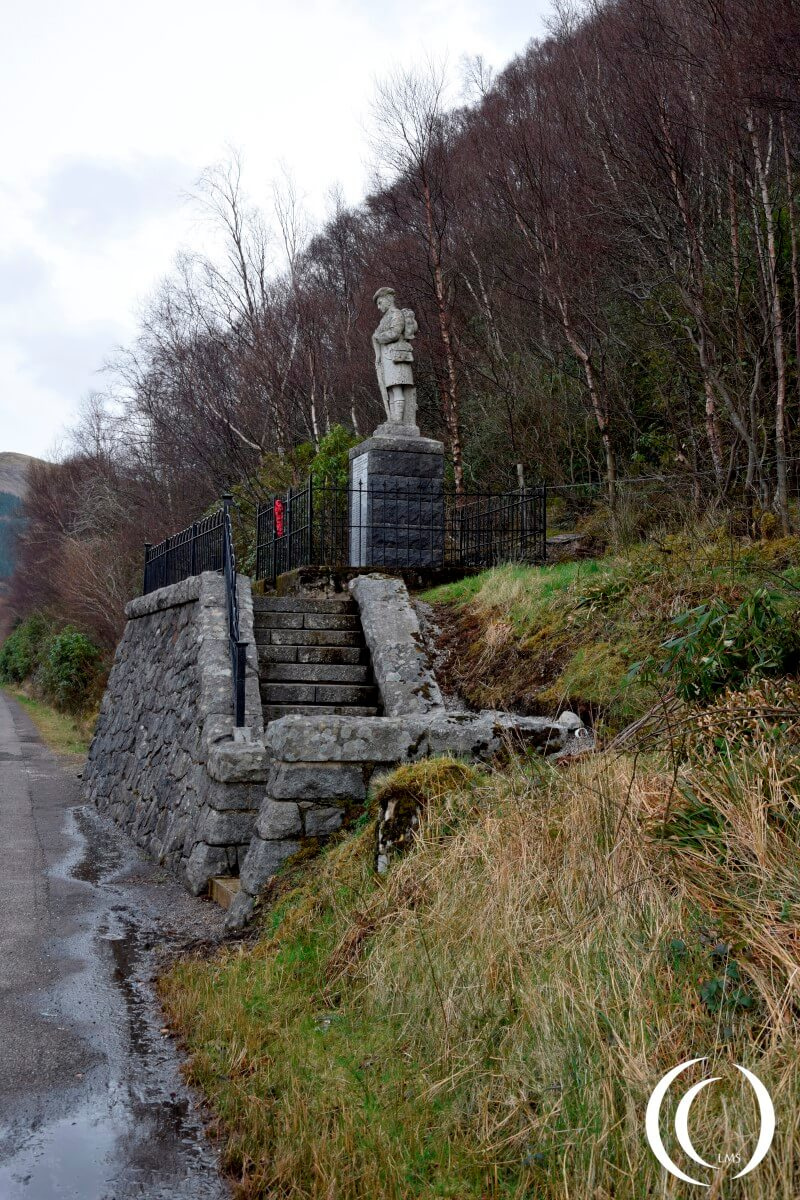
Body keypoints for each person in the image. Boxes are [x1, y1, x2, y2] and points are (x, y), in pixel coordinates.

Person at [371, 286, 419, 431]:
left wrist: (378, 337)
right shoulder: (384, 318)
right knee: (391, 390)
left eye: (380, 303)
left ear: (387, 299)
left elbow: (395, 333)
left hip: (396, 357)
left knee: (397, 388)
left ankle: (398, 420)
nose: (379, 307)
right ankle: (393, 419)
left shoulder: (396, 314)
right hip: (387, 358)